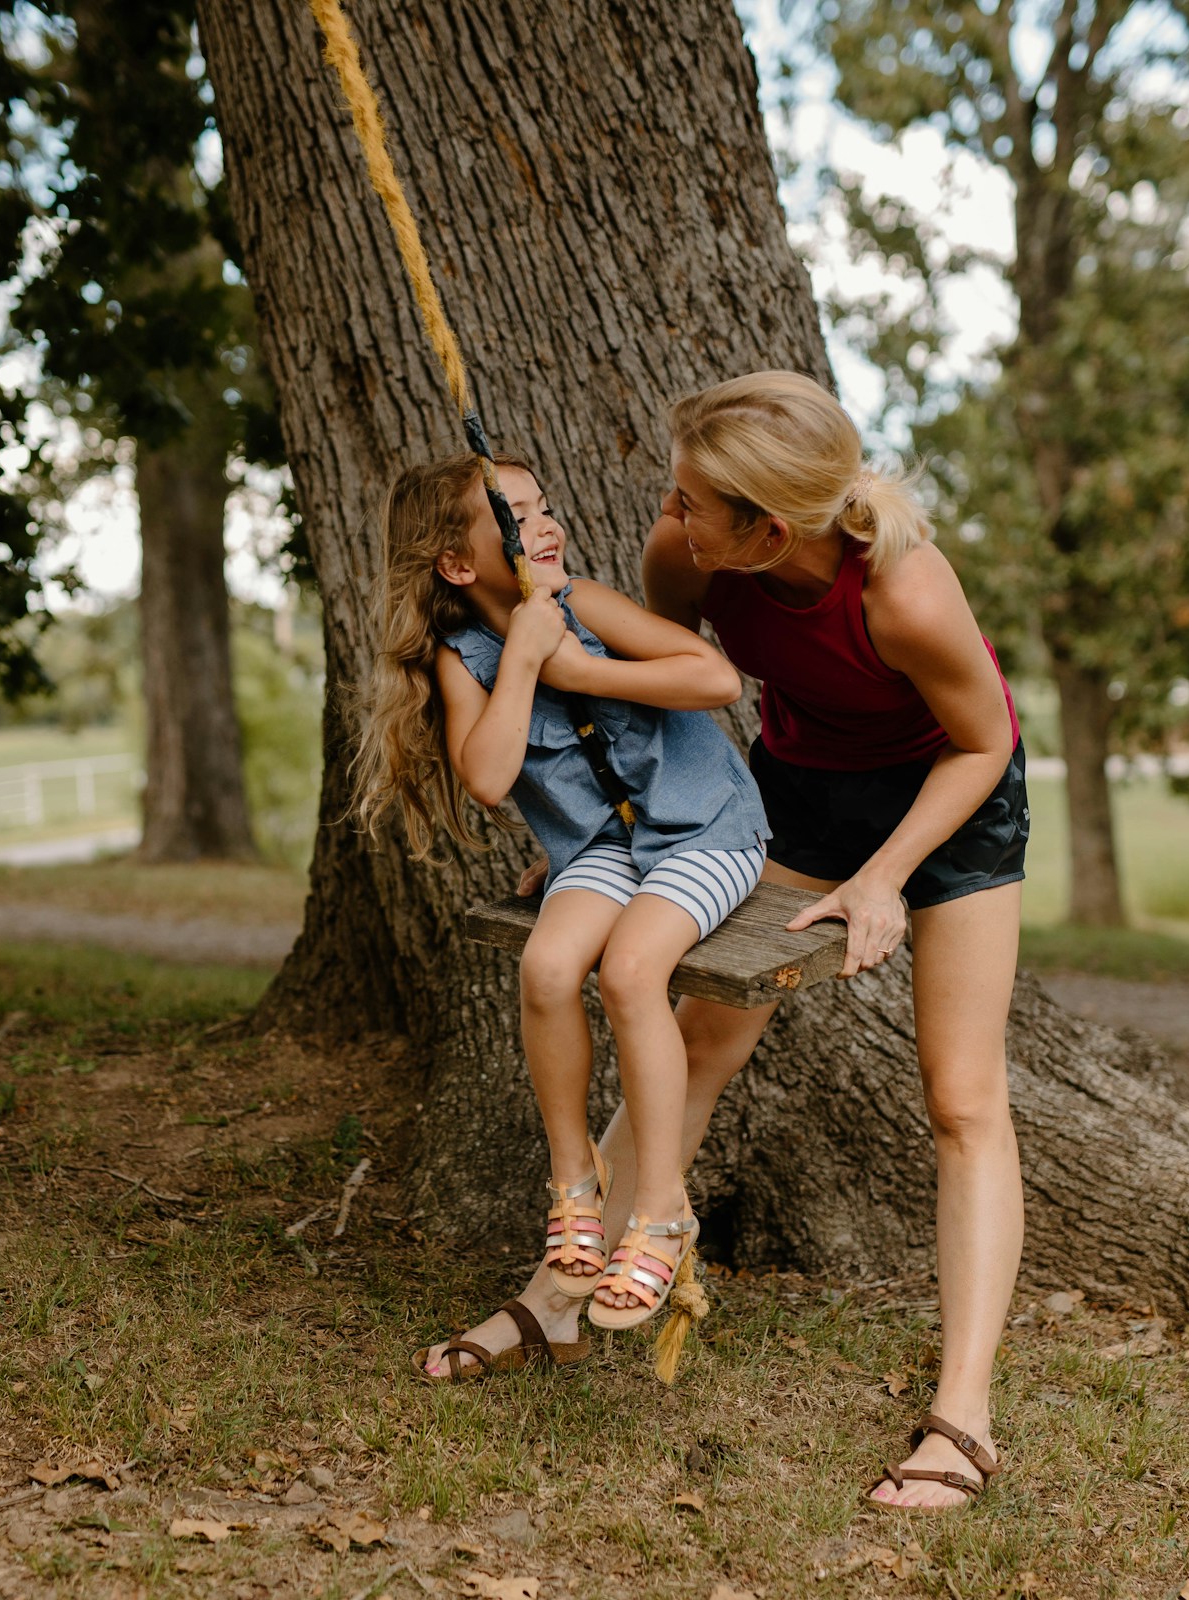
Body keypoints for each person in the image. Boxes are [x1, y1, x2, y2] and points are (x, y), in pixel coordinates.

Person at [429, 372, 1026, 1511]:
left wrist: (883, 878)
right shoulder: (688, 552)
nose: (668, 515)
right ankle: (562, 1295)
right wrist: (604, 836)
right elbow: (648, 701)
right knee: (699, 1034)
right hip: (795, 796)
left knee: (961, 1098)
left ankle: (963, 1417)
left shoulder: (903, 592)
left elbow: (983, 740)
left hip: (949, 798)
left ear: (770, 531)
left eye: (691, 501)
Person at [350, 452, 770, 1380]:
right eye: (518, 516)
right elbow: (489, 774)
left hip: (705, 830)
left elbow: (716, 680)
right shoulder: (465, 657)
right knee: (545, 968)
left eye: (544, 507)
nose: (546, 525)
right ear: (458, 564)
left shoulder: (586, 603)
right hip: (604, 849)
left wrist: (576, 663)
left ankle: (660, 1208)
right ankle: (574, 1182)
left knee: (630, 973)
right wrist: (526, 658)